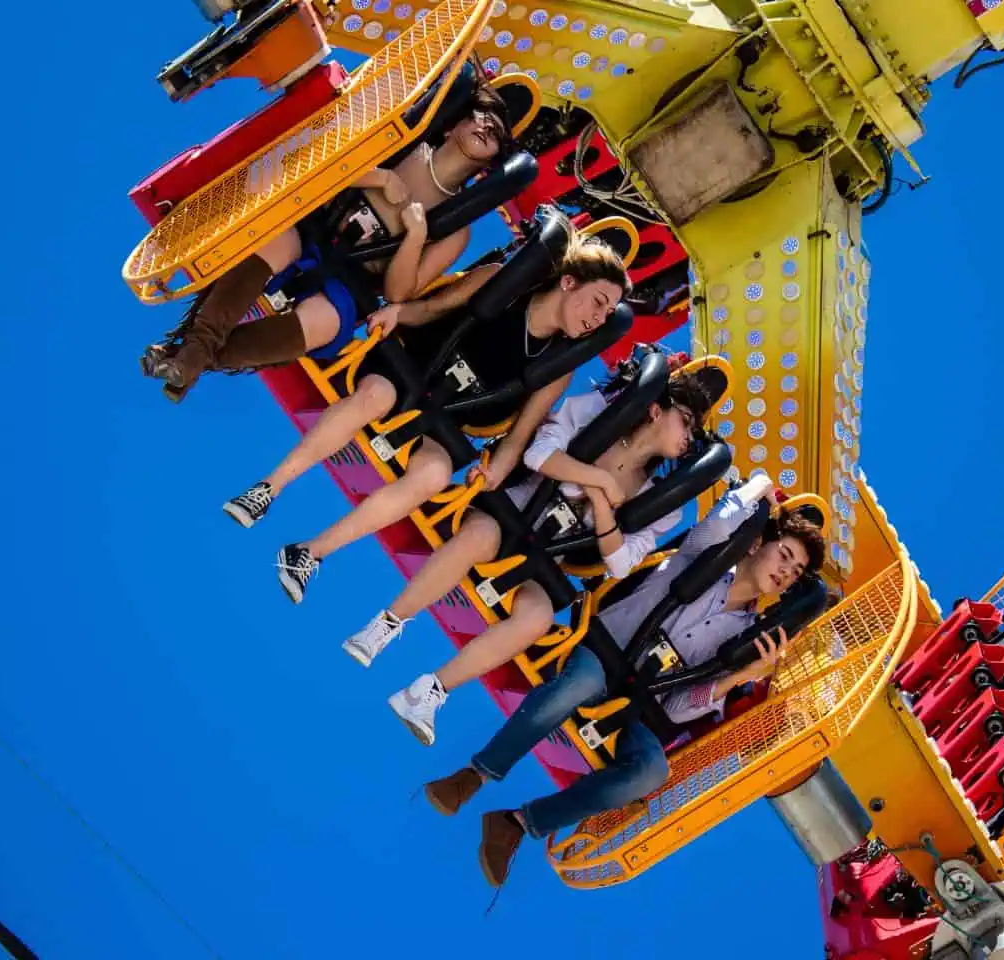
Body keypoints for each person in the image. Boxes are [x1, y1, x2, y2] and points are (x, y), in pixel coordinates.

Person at [416, 474, 826, 887]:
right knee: (575, 688)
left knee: (652, 772)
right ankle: (476, 774)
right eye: (785, 555)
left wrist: (740, 676)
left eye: (797, 571)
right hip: (605, 655)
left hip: (641, 707)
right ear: (758, 543)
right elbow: (723, 518)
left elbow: (679, 707)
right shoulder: (706, 556)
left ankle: (518, 824)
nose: (787, 571)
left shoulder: (745, 637)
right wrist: (760, 487)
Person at [219, 224, 631, 604]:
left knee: (433, 476)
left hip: (447, 418)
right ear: (568, 281)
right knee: (375, 398)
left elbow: (520, 435)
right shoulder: (501, 282)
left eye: (607, 314)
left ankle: (309, 553)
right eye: (598, 302)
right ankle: (268, 489)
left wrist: (495, 472)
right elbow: (434, 307)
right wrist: (398, 313)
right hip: (410, 371)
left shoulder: (559, 368)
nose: (598, 318)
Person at [342, 350, 717, 747]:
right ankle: (386, 624)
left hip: (548, 555)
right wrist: (598, 479)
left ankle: (428, 692)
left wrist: (601, 497)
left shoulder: (656, 500)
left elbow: (621, 562)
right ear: (657, 410)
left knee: (536, 620)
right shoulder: (598, 413)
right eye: (687, 422)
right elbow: (541, 454)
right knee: (477, 539)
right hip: (517, 512)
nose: (688, 437)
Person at [140, 76, 516, 401]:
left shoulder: (457, 229)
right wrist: (380, 178)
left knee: (324, 323)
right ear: (452, 126)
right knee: (276, 240)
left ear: (491, 164)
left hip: (352, 282)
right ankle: (192, 351)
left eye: (496, 133)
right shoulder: (405, 140)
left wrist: (416, 236)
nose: (485, 127)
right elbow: (325, 165)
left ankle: (188, 357)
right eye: (478, 117)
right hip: (315, 232)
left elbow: (401, 293)